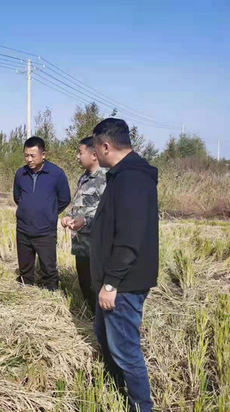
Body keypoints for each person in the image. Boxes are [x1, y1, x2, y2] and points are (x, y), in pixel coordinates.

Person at [90, 118, 158, 412]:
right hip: (114, 281)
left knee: (126, 350)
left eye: (95, 148)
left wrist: (110, 283)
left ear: (106, 146)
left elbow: (130, 238)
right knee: (108, 340)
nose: (95, 155)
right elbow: (117, 223)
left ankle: (142, 406)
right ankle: (118, 393)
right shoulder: (123, 174)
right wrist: (87, 222)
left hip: (123, 285)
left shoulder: (132, 178)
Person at [13, 136, 71, 290]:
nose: (29, 159)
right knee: (25, 268)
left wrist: (49, 211)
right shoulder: (20, 174)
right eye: (26, 155)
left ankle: (51, 295)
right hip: (23, 229)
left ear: (43, 155)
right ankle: (26, 292)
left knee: (49, 268)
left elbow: (64, 198)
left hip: (45, 231)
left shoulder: (56, 174)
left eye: (33, 155)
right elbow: (17, 197)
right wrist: (28, 209)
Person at [61, 136, 107, 313]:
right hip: (81, 244)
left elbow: (108, 212)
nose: (77, 157)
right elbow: (78, 205)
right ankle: (91, 318)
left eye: (80, 153)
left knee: (99, 288)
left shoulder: (106, 178)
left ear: (94, 154)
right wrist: (68, 217)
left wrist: (86, 220)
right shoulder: (83, 178)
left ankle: (101, 325)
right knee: (85, 284)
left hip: (98, 245)